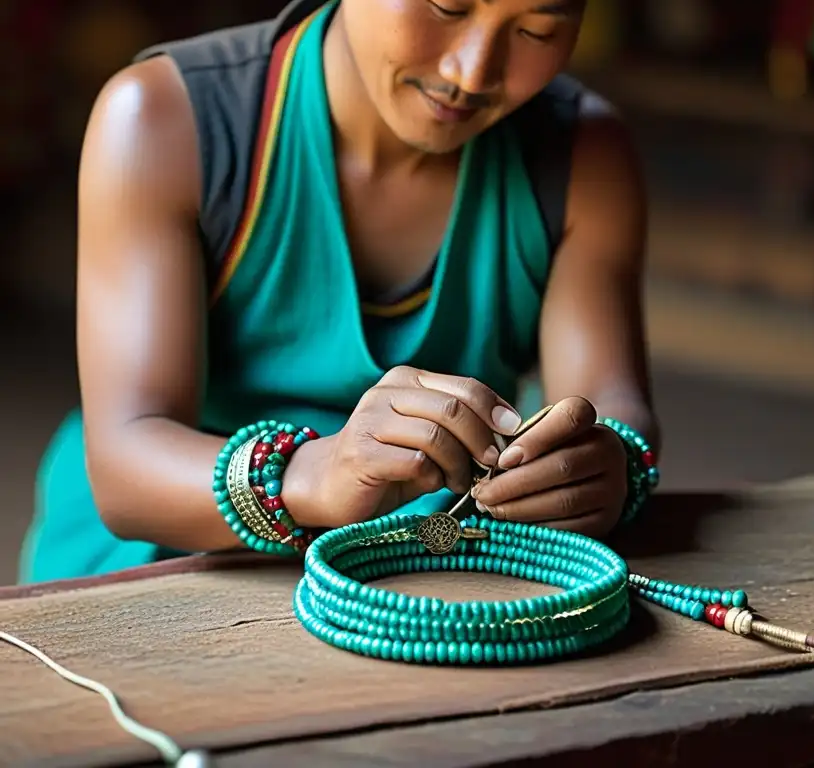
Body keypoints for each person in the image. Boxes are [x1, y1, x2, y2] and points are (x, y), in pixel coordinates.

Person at [19, 0, 659, 584]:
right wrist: (313, 476)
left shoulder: (583, 158)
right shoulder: (165, 120)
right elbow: (127, 461)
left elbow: (612, 408)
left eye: (535, 30)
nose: (471, 71)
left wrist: (601, 467)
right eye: (447, 7)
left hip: (424, 564)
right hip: (161, 569)